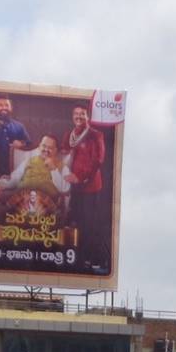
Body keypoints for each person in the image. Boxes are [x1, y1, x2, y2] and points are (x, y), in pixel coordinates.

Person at [61, 103, 107, 267]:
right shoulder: (69, 135)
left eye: (82, 114)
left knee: (91, 223)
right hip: (74, 188)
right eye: (76, 114)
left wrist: (80, 177)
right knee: (76, 222)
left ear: (88, 116)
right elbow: (64, 156)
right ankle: (80, 258)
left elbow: (98, 161)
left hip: (90, 186)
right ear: (72, 117)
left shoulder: (95, 135)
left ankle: (97, 259)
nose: (79, 117)